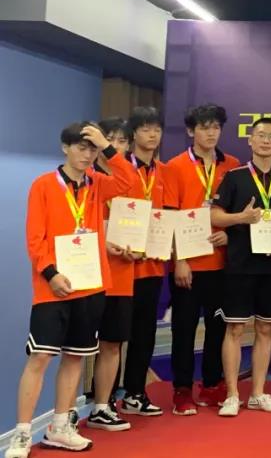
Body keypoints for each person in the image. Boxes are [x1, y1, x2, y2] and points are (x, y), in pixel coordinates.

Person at [6, 123, 130, 458]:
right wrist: (51, 273)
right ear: (65, 148)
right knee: (40, 357)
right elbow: (35, 237)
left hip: (90, 285)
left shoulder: (98, 183)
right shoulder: (44, 185)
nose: (87, 155)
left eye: (92, 149)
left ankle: (60, 426)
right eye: (81, 147)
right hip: (54, 288)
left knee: (75, 357)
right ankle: (22, 433)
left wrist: (108, 147)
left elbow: (128, 181)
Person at [162, 104, 241, 415]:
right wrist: (179, 260)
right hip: (189, 264)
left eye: (216, 127)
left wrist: (230, 236)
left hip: (222, 263)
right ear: (190, 131)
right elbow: (170, 216)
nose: (211, 133)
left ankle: (211, 384)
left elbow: (239, 213)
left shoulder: (232, 165)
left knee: (218, 328)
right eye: (204, 127)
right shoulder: (175, 166)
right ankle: (182, 390)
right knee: (183, 329)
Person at [211, 117, 271, 417]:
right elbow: (215, 216)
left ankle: (258, 393)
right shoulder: (234, 177)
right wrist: (240, 218)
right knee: (234, 328)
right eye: (260, 135)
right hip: (240, 264)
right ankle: (232, 395)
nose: (266, 141)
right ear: (250, 140)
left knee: (266, 328)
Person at [116, 107, 172, 418]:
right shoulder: (120, 169)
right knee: (113, 336)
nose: (152, 135)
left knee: (144, 332)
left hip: (152, 265)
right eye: (146, 129)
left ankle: (136, 393)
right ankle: (105, 399)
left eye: (157, 129)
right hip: (121, 267)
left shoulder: (165, 171)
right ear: (134, 133)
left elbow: (170, 215)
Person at [85, 118, 136, 432]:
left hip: (120, 276)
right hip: (86, 277)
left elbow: (127, 179)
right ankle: (67, 409)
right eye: (108, 140)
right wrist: (103, 243)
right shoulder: (84, 179)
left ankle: (102, 406)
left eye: (120, 141)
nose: (114, 146)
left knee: (113, 343)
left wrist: (136, 248)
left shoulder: (124, 179)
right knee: (76, 347)